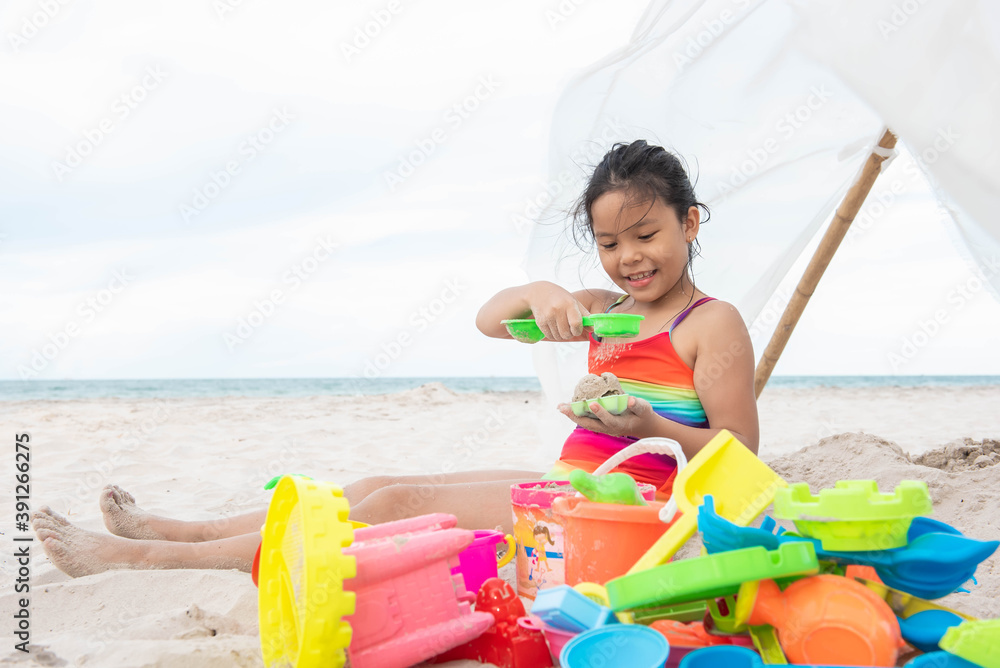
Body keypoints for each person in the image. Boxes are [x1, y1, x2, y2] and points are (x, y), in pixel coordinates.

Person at [32, 140, 758, 577]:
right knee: (379, 481)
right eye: (609, 243)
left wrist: (642, 425)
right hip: (568, 486)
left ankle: (145, 561)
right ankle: (177, 529)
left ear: (689, 223)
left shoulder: (709, 323)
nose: (629, 257)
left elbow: (739, 458)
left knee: (394, 507)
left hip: (625, 513)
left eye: (646, 234)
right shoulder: (605, 308)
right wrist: (541, 291)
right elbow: (491, 322)